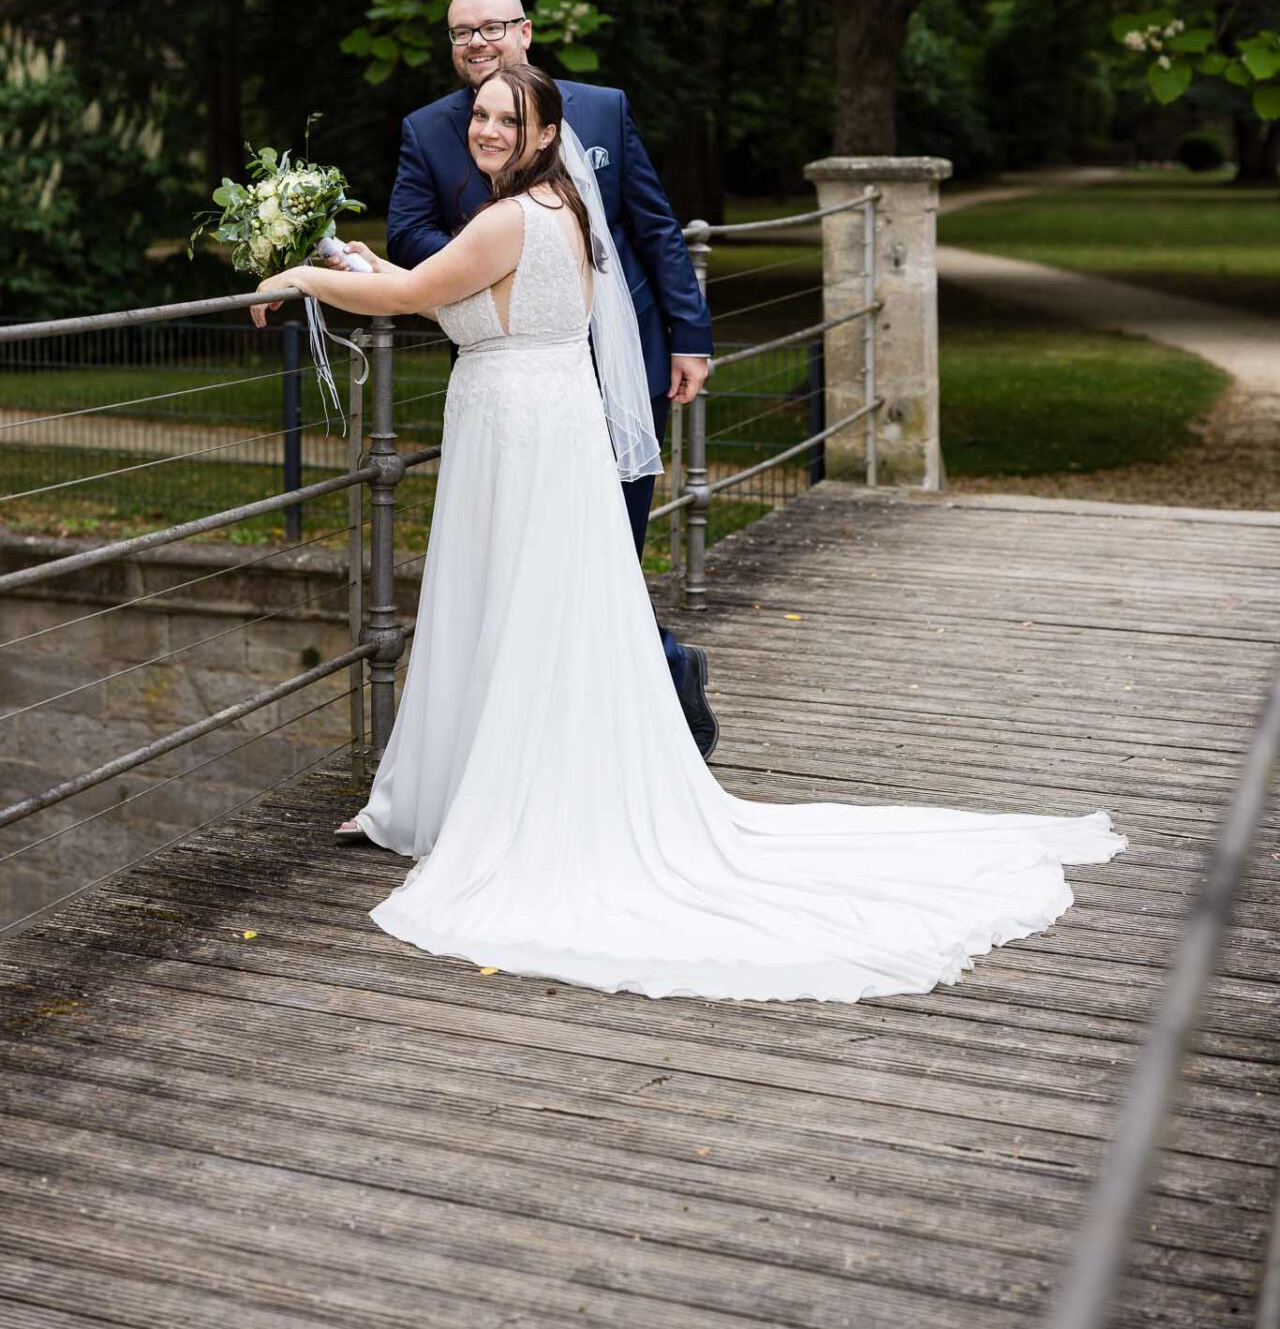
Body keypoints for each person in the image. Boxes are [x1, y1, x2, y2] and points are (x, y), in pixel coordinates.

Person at [254, 66, 1125, 1003]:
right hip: (540, 424)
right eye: (480, 114)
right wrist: (352, 259)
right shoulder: (557, 210)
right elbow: (444, 294)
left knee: (512, 604)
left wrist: (302, 271)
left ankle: (516, 805)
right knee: (537, 608)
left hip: (517, 431)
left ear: (547, 133)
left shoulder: (509, 217)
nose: (487, 130)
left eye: (509, 118)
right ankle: (512, 784)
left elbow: (417, 292)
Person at [385, 0, 717, 756]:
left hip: (620, 362)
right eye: (460, 33)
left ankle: (619, 713)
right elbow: (407, 234)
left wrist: (689, 335)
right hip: (520, 371)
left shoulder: (601, 109)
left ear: (525, 31)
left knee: (606, 546)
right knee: (534, 559)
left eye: (491, 27)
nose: (476, 43)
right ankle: (632, 689)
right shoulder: (430, 130)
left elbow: (655, 226)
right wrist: (490, 267)